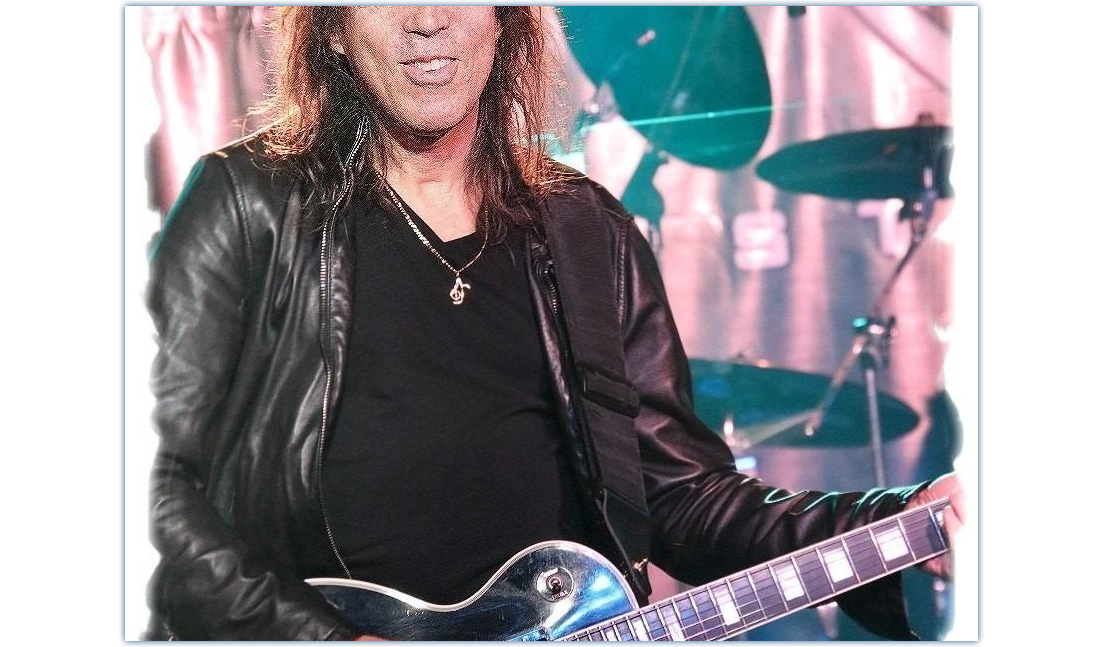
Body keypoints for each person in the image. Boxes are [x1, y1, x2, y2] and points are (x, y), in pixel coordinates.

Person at [144, 6, 962, 641]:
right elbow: (157, 483)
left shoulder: (584, 229)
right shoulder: (247, 205)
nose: (427, 21)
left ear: (506, 20)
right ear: (330, 30)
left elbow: (682, 496)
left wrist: (902, 520)